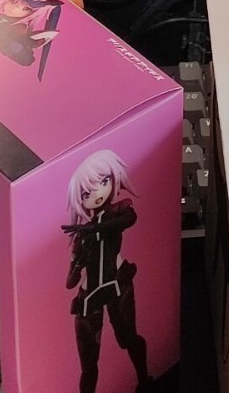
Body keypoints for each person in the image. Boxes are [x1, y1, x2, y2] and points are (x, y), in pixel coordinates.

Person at [63, 149, 150, 393]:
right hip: (90, 295)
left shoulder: (119, 210)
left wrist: (96, 230)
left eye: (103, 182)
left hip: (117, 284)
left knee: (129, 338)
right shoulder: (82, 236)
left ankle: (145, 381)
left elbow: (129, 219)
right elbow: (70, 282)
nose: (97, 193)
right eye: (86, 193)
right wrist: (78, 258)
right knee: (89, 365)